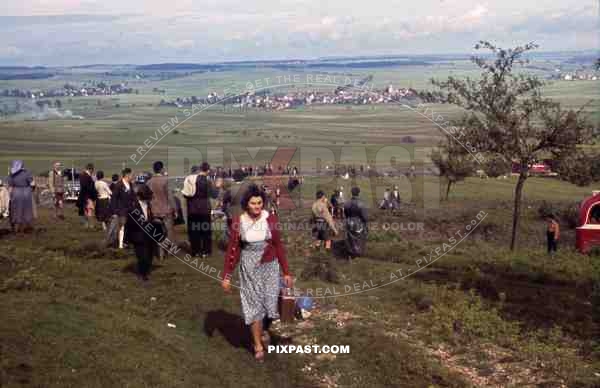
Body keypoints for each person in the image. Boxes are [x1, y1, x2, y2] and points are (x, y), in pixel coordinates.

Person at [221, 184, 293, 362]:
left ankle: (265, 330)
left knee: (269, 305)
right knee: (253, 307)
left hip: (269, 266)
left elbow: (278, 246)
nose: (257, 206)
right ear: (246, 204)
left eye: (260, 203)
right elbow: (233, 249)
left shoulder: (271, 219)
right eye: (253, 203)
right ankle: (257, 344)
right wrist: (227, 275)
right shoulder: (239, 222)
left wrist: (286, 272)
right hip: (249, 267)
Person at [182, 162, 221, 258]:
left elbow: (185, 194)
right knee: (205, 231)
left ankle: (195, 251)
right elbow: (214, 195)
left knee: (194, 231)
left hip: (192, 209)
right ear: (207, 170)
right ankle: (205, 252)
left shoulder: (191, 180)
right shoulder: (207, 181)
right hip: (204, 209)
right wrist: (218, 186)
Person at [127, 184, 157, 281]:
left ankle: (146, 270)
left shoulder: (148, 205)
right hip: (138, 235)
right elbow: (131, 223)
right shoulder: (133, 207)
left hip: (149, 234)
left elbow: (150, 218)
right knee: (142, 255)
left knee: (150, 254)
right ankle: (142, 274)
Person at [147, 161, 175, 260]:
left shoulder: (149, 182)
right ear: (162, 169)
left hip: (154, 211)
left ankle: (160, 253)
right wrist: (174, 208)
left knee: (158, 233)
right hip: (166, 210)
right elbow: (170, 197)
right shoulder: (165, 180)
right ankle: (168, 251)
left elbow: (147, 198)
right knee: (169, 232)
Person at [110, 168, 136, 249]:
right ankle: (120, 245)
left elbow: (133, 197)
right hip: (121, 210)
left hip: (130, 210)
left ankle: (126, 242)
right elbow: (114, 199)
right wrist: (114, 211)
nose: (133, 176)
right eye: (132, 175)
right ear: (127, 175)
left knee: (129, 227)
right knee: (122, 227)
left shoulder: (130, 184)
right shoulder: (118, 185)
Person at [7, 161, 34, 233]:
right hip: (26, 193)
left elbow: (10, 186)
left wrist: (9, 196)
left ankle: (16, 227)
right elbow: (32, 183)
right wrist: (31, 190)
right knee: (26, 210)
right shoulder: (27, 172)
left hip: (15, 193)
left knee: (15, 210)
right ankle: (24, 227)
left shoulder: (11, 174)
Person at [344, 187, 368, 259]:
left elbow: (346, 214)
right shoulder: (361, 203)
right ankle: (357, 254)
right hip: (358, 223)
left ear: (351, 193)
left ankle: (351, 254)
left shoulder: (347, 203)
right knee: (359, 239)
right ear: (359, 193)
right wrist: (365, 223)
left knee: (350, 239)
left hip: (349, 222)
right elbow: (364, 216)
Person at [77, 163, 97, 229]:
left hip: (84, 196)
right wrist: (91, 196)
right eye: (93, 170)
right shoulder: (86, 176)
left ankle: (87, 224)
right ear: (90, 169)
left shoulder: (83, 175)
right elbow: (87, 187)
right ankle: (90, 225)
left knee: (86, 210)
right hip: (87, 196)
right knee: (90, 210)